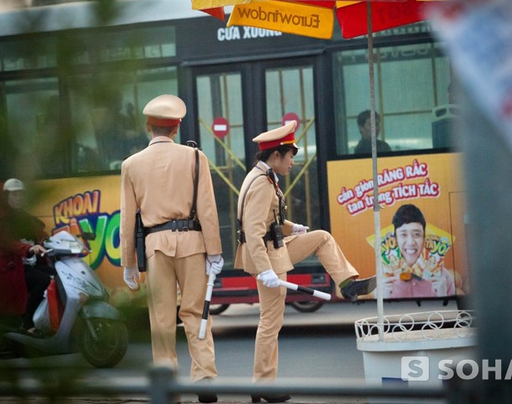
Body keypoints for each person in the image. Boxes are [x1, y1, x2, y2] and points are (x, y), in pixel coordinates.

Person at [235, 121, 376, 403]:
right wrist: (265, 272)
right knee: (270, 323)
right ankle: (262, 384)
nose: (292, 163)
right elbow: (252, 230)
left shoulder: (261, 176)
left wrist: (291, 228)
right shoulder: (263, 184)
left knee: (321, 238)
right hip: (267, 256)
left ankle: (347, 284)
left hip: (274, 247)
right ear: (276, 155)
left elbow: (267, 221)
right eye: (290, 157)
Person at [119, 94, 223, 404]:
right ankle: (204, 378)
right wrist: (215, 251)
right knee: (196, 313)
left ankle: (168, 386)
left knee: (162, 320)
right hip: (193, 243)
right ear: (176, 128)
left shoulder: (130, 165)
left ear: (147, 127)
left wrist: (128, 263)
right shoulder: (195, 158)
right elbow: (207, 208)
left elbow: (127, 219)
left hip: (155, 248)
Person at [0, 178, 55, 337]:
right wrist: (29, 248)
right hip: (10, 268)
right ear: (6, 197)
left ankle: (49, 319)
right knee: (42, 280)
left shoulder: (27, 218)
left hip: (29, 264)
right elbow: (6, 242)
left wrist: (52, 241)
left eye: (21, 194)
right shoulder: (0, 221)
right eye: (14, 194)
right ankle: (27, 323)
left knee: (57, 275)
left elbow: (42, 235)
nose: (19, 197)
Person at [384, 204, 455, 299]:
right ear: (395, 239)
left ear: (424, 237)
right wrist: (382, 300)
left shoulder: (443, 277)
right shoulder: (384, 279)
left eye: (416, 234)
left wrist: (443, 297)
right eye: (403, 234)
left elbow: (452, 312)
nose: (411, 242)